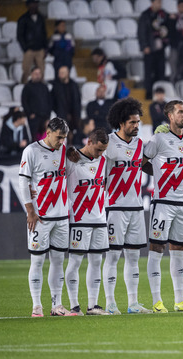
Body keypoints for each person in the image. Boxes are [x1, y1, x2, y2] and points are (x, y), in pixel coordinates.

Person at [142, 100, 183, 313]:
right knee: (157, 248)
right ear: (170, 116)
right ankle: (157, 301)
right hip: (163, 203)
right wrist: (157, 174)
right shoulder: (158, 139)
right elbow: (141, 161)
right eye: (180, 112)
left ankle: (180, 301)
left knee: (179, 251)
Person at [102, 98, 151, 314]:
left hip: (136, 208)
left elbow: (152, 166)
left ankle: (133, 303)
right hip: (114, 207)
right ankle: (111, 303)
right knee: (112, 256)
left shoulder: (141, 145)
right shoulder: (108, 143)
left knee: (133, 256)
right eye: (132, 122)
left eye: (138, 122)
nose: (136, 126)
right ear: (121, 123)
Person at [18, 118, 71, 317]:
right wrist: (30, 212)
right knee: (37, 261)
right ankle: (36, 306)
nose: (61, 142)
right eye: (59, 137)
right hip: (40, 217)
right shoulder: (31, 151)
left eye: (64, 138)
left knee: (58, 261)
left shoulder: (65, 151)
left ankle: (57, 305)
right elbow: (23, 183)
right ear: (48, 133)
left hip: (61, 217)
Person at [64, 128, 111, 316]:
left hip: (100, 218)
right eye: (98, 149)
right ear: (89, 142)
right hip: (79, 219)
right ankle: (74, 306)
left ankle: (93, 305)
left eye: (104, 150)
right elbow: (53, 151)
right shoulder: (71, 159)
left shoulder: (104, 160)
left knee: (96, 261)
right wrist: (68, 149)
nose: (101, 153)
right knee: (75, 262)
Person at [137, 0, 169, 99]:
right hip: (149, 48)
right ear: (152, 3)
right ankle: (149, 94)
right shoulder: (145, 15)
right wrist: (144, 46)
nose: (159, 4)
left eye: (160, 2)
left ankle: (160, 94)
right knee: (149, 72)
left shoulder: (164, 14)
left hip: (160, 48)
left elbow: (168, 28)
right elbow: (141, 32)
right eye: (157, 2)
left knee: (160, 71)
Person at [17, 0, 47, 84]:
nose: (34, 5)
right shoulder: (23, 19)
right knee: (26, 70)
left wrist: (45, 48)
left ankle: (40, 87)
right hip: (29, 49)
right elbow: (20, 35)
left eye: (35, 3)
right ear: (28, 5)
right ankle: (24, 86)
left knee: (41, 70)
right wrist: (25, 48)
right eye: (32, 3)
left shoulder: (41, 18)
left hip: (40, 48)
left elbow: (44, 33)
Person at [21, 67, 52, 142]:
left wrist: (48, 115)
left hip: (44, 116)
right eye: (35, 74)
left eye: (39, 74)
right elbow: (24, 102)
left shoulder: (44, 87)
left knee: (45, 137)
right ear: (31, 74)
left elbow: (49, 101)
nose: (37, 75)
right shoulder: (27, 87)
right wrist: (30, 113)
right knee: (34, 137)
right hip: (34, 117)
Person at [51, 66, 81, 133]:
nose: (60, 75)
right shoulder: (56, 86)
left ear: (67, 73)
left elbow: (77, 101)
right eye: (59, 73)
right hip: (60, 114)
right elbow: (52, 101)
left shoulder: (74, 85)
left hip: (73, 115)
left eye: (62, 73)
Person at [166, 0, 183, 83]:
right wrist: (172, 20)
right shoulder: (172, 17)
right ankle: (173, 84)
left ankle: (182, 84)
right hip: (175, 45)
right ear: (177, 7)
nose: (182, 8)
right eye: (181, 6)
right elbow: (168, 31)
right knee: (174, 65)